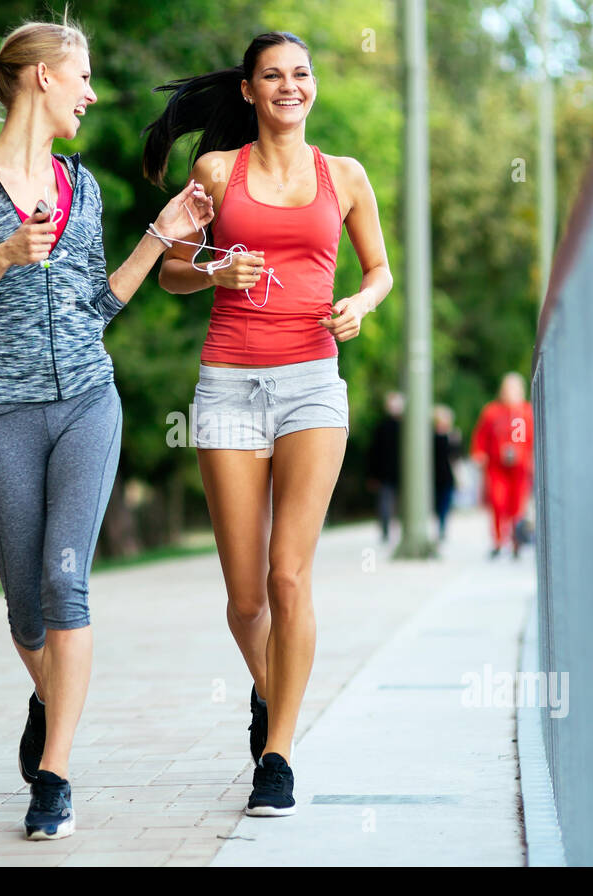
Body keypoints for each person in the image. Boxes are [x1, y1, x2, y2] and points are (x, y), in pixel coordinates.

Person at [0, 2, 213, 840]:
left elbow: (96, 307)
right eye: (84, 77)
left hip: (86, 405)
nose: (94, 96)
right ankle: (47, 694)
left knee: (67, 583)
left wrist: (162, 235)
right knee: (27, 612)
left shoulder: (84, 188)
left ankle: (56, 777)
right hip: (0, 412)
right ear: (43, 76)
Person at [143, 31, 392, 816]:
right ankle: (271, 691)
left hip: (313, 383)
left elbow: (380, 269)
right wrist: (219, 265)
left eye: (301, 74)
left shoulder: (345, 176)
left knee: (290, 578)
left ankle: (277, 755)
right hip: (227, 387)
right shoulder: (217, 172)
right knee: (246, 598)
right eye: (273, 76)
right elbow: (171, 272)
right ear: (248, 91)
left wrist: (360, 302)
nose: (291, 86)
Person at [470, 372, 534, 558]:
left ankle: (516, 541)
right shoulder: (492, 411)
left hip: (519, 467)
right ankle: (498, 540)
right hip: (497, 466)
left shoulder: (525, 411)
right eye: (507, 388)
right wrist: (479, 452)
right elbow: (481, 435)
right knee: (498, 502)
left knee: (516, 505)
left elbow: (529, 438)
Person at [366, 392, 404, 543]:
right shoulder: (381, 427)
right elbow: (374, 452)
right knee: (386, 503)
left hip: (398, 473)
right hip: (386, 473)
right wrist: (373, 474)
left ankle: (390, 531)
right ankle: (386, 531)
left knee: (389, 503)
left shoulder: (406, 427)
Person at [432, 404, 460, 542]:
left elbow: (457, 456)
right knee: (438, 503)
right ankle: (439, 523)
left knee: (445, 502)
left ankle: (442, 526)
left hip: (448, 475)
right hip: (435, 476)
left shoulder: (453, 436)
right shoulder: (431, 436)